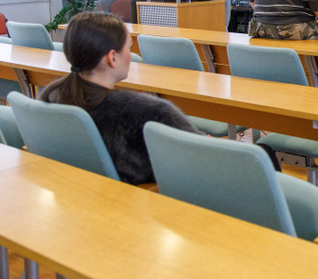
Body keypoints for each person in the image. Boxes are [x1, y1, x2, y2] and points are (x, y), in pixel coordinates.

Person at [38, 12, 202, 185]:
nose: (130, 55)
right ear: (112, 58)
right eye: (129, 48)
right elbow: (201, 156)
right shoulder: (146, 112)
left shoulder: (51, 96)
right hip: (135, 199)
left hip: (72, 190)